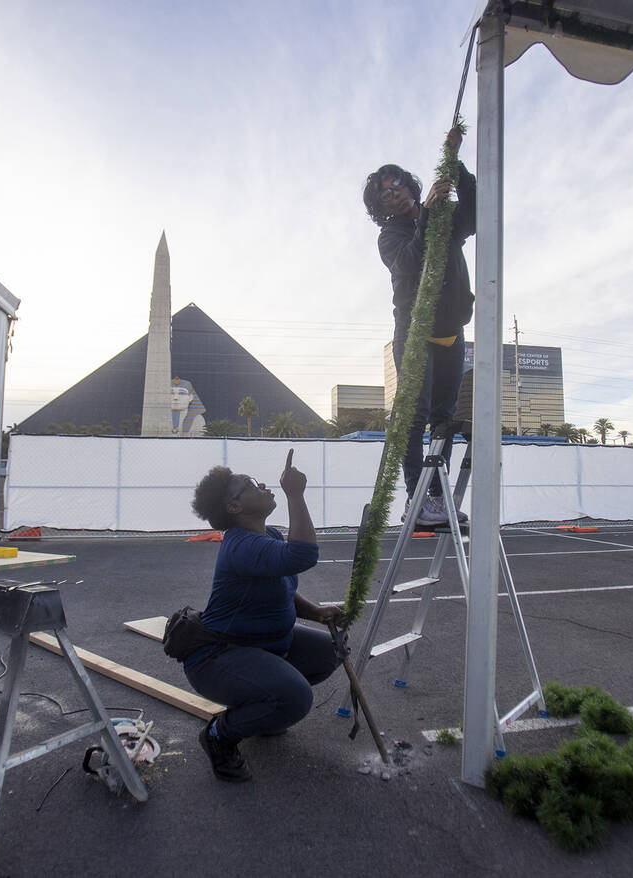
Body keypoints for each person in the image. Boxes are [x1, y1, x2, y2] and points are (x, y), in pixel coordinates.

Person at [185, 449, 342, 782]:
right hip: (219, 657)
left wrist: (314, 612)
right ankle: (219, 735)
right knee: (297, 697)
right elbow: (302, 555)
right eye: (252, 484)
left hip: (263, 646)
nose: (264, 485)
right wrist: (296, 494)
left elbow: (282, 585)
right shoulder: (241, 545)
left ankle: (264, 709)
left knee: (329, 652)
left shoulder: (266, 536)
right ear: (234, 507)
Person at [363, 127, 476, 527]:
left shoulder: (444, 217)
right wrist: (427, 210)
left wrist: (455, 164)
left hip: (452, 333)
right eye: (384, 193)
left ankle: (436, 496)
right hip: (414, 335)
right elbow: (410, 264)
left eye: (396, 184)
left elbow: (476, 210)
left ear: (409, 185)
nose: (393, 192)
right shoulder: (389, 236)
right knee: (414, 415)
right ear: (381, 206)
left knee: (444, 418)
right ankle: (416, 499)